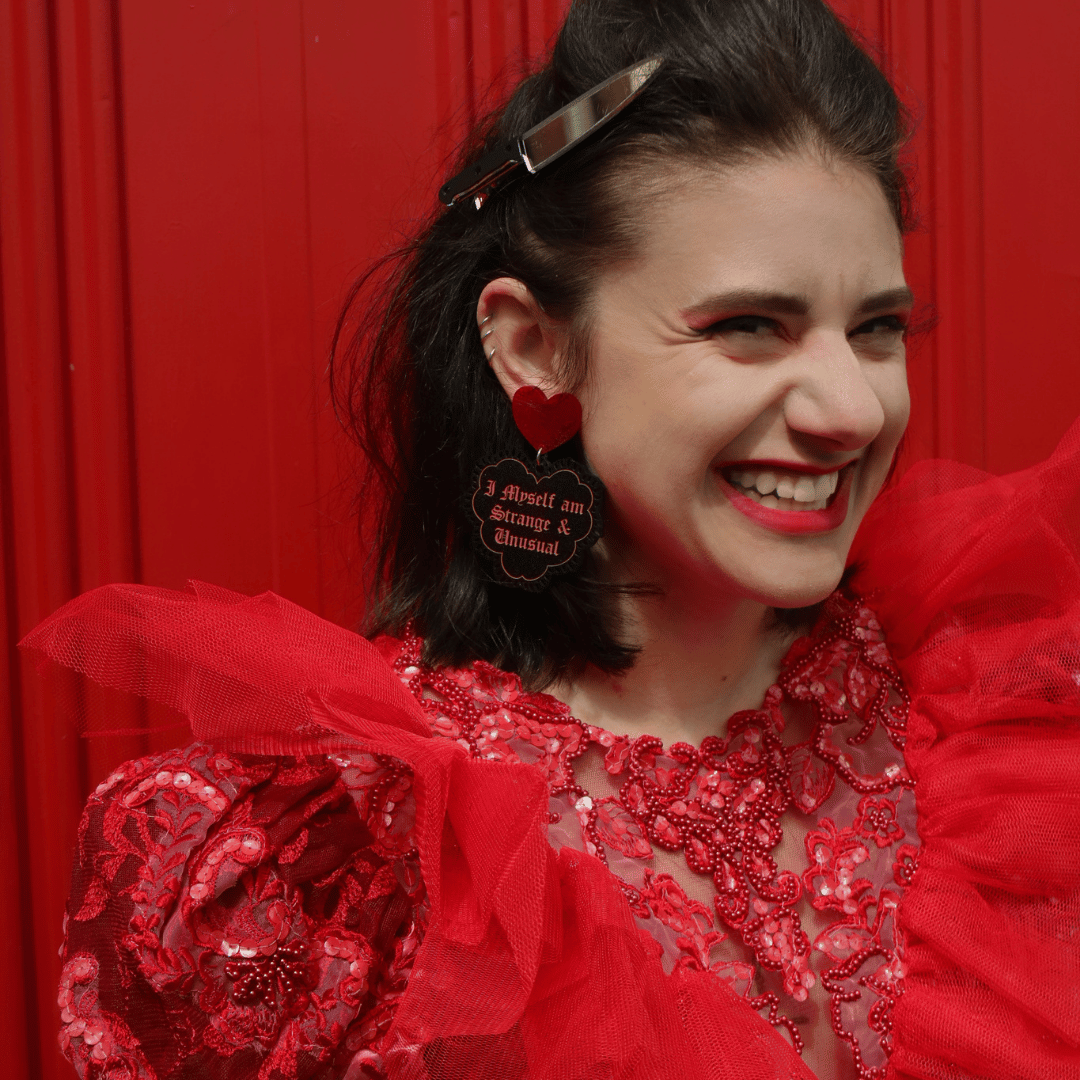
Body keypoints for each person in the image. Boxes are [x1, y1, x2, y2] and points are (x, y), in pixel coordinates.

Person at [22, 0, 1080, 1077]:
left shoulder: (1026, 731)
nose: (850, 408)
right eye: (747, 327)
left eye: (876, 328)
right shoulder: (327, 868)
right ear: (535, 347)